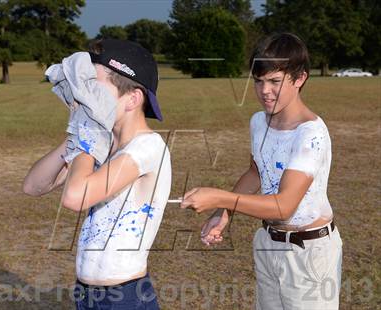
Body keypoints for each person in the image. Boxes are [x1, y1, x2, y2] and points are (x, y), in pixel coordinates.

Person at [181, 33, 342, 309]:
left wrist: (221, 198)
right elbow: (256, 172)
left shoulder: (310, 134)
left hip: (308, 254)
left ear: (300, 78)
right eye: (258, 81)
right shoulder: (259, 122)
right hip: (269, 244)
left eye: (275, 81)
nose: (264, 90)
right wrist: (224, 214)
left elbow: (284, 207)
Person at [23, 39, 171, 309]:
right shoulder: (100, 145)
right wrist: (78, 132)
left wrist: (88, 135)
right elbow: (34, 186)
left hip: (125, 297)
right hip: (86, 293)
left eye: (95, 87)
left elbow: (76, 197)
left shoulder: (148, 147)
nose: (85, 95)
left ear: (133, 99)